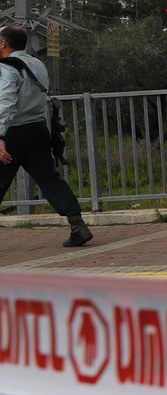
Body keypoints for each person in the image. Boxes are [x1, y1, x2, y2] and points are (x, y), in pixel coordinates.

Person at [0, 26, 92, 247]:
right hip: (38, 130)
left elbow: (5, 103)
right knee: (49, 179)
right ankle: (77, 224)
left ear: (3, 43)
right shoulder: (36, 64)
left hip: (12, 133)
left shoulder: (6, 68)